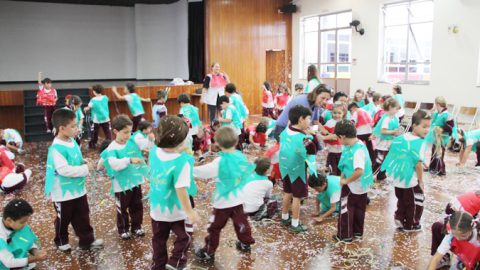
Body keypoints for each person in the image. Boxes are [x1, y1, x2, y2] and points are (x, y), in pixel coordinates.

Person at [193, 126, 255, 263]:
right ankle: (246, 243)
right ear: (235, 141)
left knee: (214, 227)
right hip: (239, 198)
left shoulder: (219, 162)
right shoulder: (241, 156)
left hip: (223, 202)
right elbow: (247, 170)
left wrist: (191, 170)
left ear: (218, 144)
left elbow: (205, 172)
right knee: (241, 222)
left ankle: (209, 251)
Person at [45, 109, 103, 251]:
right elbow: (63, 170)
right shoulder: (56, 148)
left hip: (78, 189)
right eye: (73, 126)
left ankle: (87, 240)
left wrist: (83, 161)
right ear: (62, 128)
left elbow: (75, 158)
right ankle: (61, 240)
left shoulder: (72, 141)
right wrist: (85, 169)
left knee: (83, 215)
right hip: (63, 193)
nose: (77, 128)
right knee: (63, 218)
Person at [148, 115, 200, 270]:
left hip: (157, 209)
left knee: (158, 239)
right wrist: (189, 212)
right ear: (180, 140)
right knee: (184, 237)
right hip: (176, 211)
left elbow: (165, 156)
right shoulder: (181, 162)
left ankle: (158, 265)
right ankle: (176, 262)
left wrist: (178, 150)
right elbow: (181, 189)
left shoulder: (154, 152)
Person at [98, 115, 148, 240]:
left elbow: (143, 144)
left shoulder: (131, 143)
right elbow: (115, 165)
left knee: (137, 205)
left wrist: (149, 140)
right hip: (121, 185)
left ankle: (137, 226)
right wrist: (129, 159)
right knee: (122, 208)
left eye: (130, 132)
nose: (128, 135)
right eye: (125, 132)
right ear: (115, 131)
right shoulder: (112, 148)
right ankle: (123, 229)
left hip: (135, 181)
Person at [381, 110, 431, 232]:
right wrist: (421, 181)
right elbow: (418, 165)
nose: (427, 129)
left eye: (429, 126)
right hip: (411, 180)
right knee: (415, 201)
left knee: (402, 200)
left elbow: (392, 152)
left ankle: (399, 218)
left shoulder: (401, 137)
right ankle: (411, 224)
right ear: (414, 125)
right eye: (424, 126)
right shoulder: (420, 142)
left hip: (398, 177)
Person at [334, 119, 374, 243]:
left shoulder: (357, 150)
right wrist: (342, 175)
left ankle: (344, 235)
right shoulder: (356, 144)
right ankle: (357, 232)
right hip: (361, 186)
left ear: (342, 136)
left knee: (346, 209)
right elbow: (346, 163)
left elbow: (359, 171)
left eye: (338, 138)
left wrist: (346, 181)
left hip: (353, 185)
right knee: (359, 209)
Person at [279, 105, 317, 233]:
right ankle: (295, 224)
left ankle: (284, 216)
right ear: (301, 119)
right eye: (308, 119)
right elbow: (312, 151)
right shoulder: (304, 138)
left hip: (285, 169)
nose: (309, 122)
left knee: (287, 192)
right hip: (298, 171)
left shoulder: (285, 131)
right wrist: (312, 136)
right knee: (296, 197)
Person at [430, 192, 480, 268]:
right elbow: (436, 258)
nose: (458, 238)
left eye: (463, 235)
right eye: (455, 235)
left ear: (472, 228)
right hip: (457, 211)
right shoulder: (451, 235)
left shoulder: (477, 233)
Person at [0, 199, 47, 269]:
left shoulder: (17, 225)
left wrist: (36, 251)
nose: (25, 224)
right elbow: (9, 262)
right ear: (9, 221)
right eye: (22, 222)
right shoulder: (1, 237)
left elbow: (27, 240)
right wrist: (35, 258)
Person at [426, 96, 457, 176]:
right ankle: (433, 168)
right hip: (435, 137)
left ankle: (441, 171)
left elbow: (451, 127)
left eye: (435, 104)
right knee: (434, 152)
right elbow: (428, 119)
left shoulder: (447, 115)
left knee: (439, 154)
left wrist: (440, 128)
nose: (434, 106)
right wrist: (431, 111)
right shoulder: (437, 114)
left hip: (442, 137)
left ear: (438, 104)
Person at [372, 98, 401, 181]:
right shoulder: (386, 118)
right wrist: (394, 132)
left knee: (386, 159)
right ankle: (369, 175)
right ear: (390, 108)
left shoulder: (395, 117)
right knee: (378, 161)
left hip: (389, 142)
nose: (397, 110)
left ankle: (381, 175)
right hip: (382, 143)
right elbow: (383, 131)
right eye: (396, 108)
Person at [85, 84, 112, 149]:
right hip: (105, 118)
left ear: (94, 91)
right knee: (107, 131)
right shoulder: (105, 97)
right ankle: (110, 143)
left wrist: (85, 109)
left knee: (95, 132)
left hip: (96, 120)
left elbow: (88, 108)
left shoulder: (93, 100)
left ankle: (93, 144)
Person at [321, 103, 344, 176]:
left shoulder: (343, 123)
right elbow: (325, 133)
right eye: (335, 113)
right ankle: (332, 182)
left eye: (339, 113)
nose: (337, 115)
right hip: (331, 151)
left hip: (342, 150)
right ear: (331, 112)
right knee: (332, 169)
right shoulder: (329, 122)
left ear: (343, 113)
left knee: (340, 168)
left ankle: (339, 183)